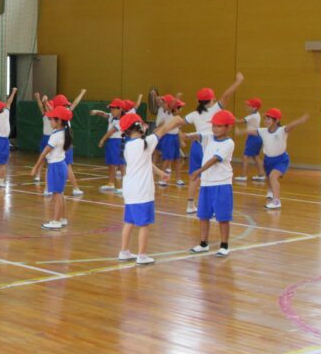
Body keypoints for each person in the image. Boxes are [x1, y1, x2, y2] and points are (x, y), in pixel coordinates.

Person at [118, 112, 182, 264]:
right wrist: (178, 120)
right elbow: (163, 129)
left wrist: (160, 173)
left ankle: (124, 251)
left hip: (130, 190)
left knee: (129, 222)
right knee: (143, 224)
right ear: (139, 126)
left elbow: (145, 161)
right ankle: (141, 255)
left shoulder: (128, 146)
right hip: (142, 191)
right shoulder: (145, 143)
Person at [183, 73, 244, 214]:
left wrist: (181, 136)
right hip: (210, 145)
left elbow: (180, 121)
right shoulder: (216, 108)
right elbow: (226, 95)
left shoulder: (194, 114)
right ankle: (214, 207)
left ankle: (190, 205)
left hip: (196, 145)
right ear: (211, 99)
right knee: (211, 176)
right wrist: (238, 81)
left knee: (194, 176)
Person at [187, 109, 237, 257]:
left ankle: (224, 246)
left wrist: (198, 171)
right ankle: (203, 244)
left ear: (228, 127)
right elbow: (198, 136)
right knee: (203, 215)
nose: (215, 128)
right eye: (213, 125)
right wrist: (187, 135)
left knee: (223, 217)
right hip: (206, 184)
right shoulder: (209, 137)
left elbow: (214, 159)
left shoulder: (229, 143)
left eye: (219, 126)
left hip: (221, 184)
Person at [245, 108, 309, 210]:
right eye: (265, 118)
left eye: (269, 119)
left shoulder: (282, 131)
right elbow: (250, 131)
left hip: (281, 160)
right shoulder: (262, 131)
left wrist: (301, 120)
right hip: (268, 160)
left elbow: (291, 126)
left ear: (276, 121)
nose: (266, 121)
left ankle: (276, 201)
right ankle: (270, 191)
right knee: (269, 178)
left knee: (273, 176)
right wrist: (240, 131)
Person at [31, 105, 72, 229]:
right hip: (61, 165)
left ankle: (56, 221)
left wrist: (36, 167)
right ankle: (62, 218)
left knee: (56, 195)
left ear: (59, 121)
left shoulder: (56, 136)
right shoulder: (62, 132)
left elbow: (44, 153)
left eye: (52, 119)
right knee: (60, 194)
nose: (50, 121)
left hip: (55, 166)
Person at [53, 90, 87, 196]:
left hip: (63, 143)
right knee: (65, 166)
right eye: (64, 104)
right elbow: (74, 104)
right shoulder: (59, 114)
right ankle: (75, 188)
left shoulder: (63, 113)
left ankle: (53, 188)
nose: (67, 106)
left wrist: (81, 93)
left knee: (58, 165)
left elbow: (75, 103)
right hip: (63, 143)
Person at [91, 98, 126, 191]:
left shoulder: (122, 120)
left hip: (118, 141)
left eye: (114, 109)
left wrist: (102, 140)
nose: (111, 110)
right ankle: (111, 183)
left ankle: (126, 186)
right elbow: (103, 114)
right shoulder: (111, 116)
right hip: (111, 142)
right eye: (111, 108)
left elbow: (111, 131)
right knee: (111, 163)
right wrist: (97, 112)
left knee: (121, 164)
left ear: (120, 109)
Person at [236, 97, 266, 182]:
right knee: (255, 156)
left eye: (249, 106)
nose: (247, 107)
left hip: (254, 138)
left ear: (255, 108)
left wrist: (228, 116)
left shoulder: (252, 116)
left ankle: (243, 175)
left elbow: (239, 121)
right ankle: (261, 174)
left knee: (245, 156)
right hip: (255, 137)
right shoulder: (256, 115)